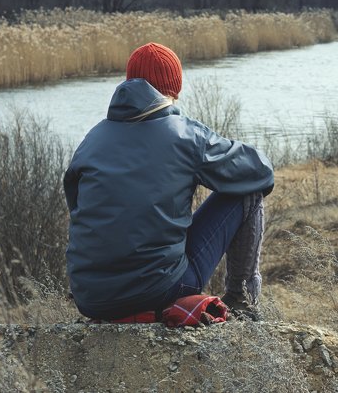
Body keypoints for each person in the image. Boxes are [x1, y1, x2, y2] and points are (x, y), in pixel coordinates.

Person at [64, 42, 274, 321]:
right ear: (172, 91)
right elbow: (259, 171)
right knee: (248, 191)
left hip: (91, 298)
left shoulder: (91, 140)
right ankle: (241, 300)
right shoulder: (183, 134)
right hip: (159, 290)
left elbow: (77, 207)